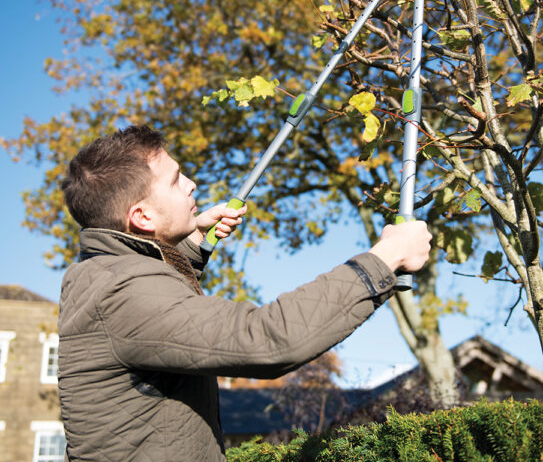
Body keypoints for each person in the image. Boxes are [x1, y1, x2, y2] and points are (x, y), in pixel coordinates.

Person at [58, 125, 432, 461]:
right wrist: (384, 259)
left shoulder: (107, 275)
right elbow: (269, 339)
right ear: (142, 218)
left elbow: (160, 302)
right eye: (174, 181)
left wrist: (189, 242)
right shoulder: (122, 293)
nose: (191, 184)